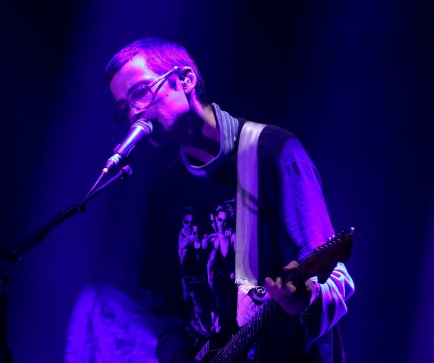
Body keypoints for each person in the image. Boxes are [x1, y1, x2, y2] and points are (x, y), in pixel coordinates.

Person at [105, 38, 355, 363]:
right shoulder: (164, 194)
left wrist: (305, 300)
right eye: (123, 107)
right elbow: (168, 314)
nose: (134, 112)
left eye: (139, 92)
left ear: (185, 80)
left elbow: (336, 280)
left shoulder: (272, 152)